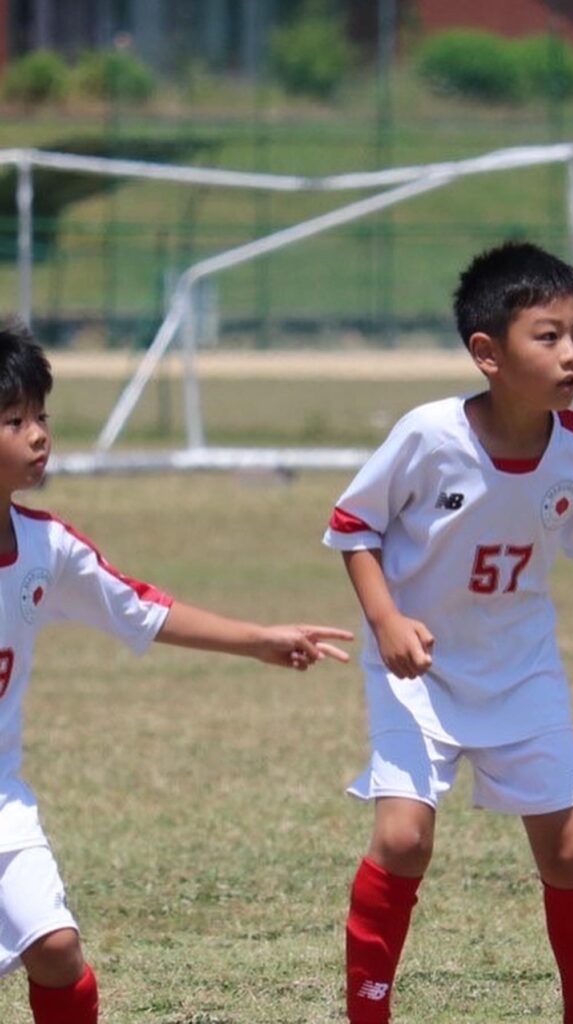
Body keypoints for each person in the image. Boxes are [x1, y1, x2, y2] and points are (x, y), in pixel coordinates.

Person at [323, 241, 573, 1024]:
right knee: (405, 837)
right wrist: (385, 617)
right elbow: (353, 526)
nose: (572, 353)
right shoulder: (430, 434)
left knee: (571, 853)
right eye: (547, 336)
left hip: (522, 669)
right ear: (487, 353)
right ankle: (366, 1012)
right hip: (418, 670)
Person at [0, 319, 354, 1024]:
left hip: (2, 803)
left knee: (59, 949)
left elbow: (141, 609)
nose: (39, 433)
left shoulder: (47, 548)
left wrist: (258, 639)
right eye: (14, 420)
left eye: (42, 416)